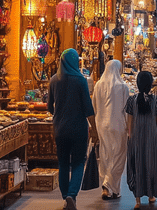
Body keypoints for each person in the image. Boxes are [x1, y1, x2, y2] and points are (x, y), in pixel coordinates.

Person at [48, 49, 99, 210]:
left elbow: (50, 107)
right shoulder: (80, 80)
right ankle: (71, 195)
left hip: (60, 129)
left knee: (63, 163)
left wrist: (60, 114)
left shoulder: (54, 80)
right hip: (78, 129)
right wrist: (95, 130)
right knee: (78, 163)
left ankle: (65, 198)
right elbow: (88, 108)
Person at [126, 72, 157, 208]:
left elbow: (129, 121)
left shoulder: (132, 100)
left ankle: (137, 199)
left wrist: (130, 136)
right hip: (151, 136)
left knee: (137, 164)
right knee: (151, 164)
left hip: (136, 137)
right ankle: (151, 195)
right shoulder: (155, 100)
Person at [92, 60, 129, 200]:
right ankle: (108, 185)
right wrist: (129, 127)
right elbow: (127, 110)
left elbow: (94, 106)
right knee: (119, 155)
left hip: (102, 125)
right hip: (118, 125)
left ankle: (111, 188)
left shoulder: (98, 85)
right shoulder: (123, 87)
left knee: (106, 154)